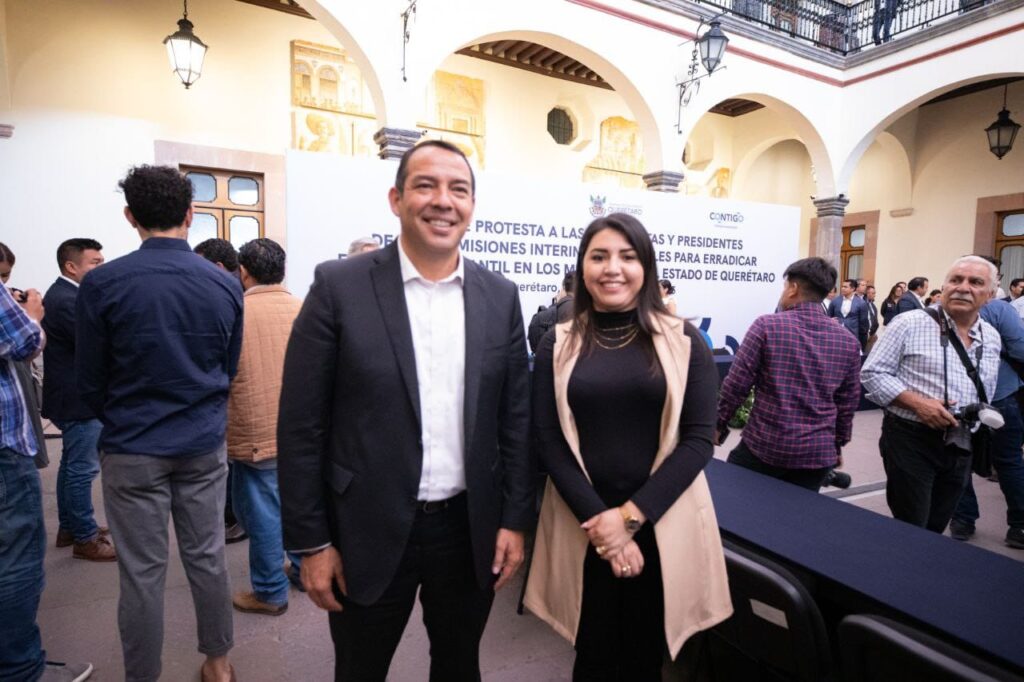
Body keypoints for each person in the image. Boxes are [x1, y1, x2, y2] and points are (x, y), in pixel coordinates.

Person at [277, 140, 532, 681]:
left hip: (468, 532)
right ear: (396, 199)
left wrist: (514, 519)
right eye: (426, 185)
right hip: (364, 529)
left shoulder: (500, 296)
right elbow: (301, 426)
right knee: (360, 670)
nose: (443, 200)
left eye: (458, 189)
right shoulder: (338, 287)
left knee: (460, 666)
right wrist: (312, 543)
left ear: (471, 205)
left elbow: (515, 420)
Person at [524, 213, 731, 681]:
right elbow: (549, 441)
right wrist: (604, 527)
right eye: (598, 256)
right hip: (585, 525)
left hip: (662, 524)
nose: (612, 268)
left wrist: (629, 521)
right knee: (591, 655)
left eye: (627, 256)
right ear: (582, 268)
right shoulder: (556, 343)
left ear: (647, 268)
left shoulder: (684, 341)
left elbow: (699, 440)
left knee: (643, 658)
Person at [76, 165, 242, 682]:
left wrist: (123, 416)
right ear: (190, 214)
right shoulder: (224, 283)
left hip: (132, 445)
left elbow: (90, 379)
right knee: (208, 556)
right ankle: (218, 662)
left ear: (130, 217)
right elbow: (228, 368)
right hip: (201, 443)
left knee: (142, 575)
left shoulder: (102, 283)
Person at [862, 256, 1000, 533]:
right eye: (956, 280)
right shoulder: (908, 323)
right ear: (943, 286)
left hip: (960, 442)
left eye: (975, 282)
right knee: (912, 525)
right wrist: (918, 404)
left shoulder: (992, 336)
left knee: (937, 524)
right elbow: (871, 373)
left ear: (991, 295)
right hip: (910, 437)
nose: (963, 287)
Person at [718, 258, 862, 491]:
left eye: (785, 286)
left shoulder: (766, 327)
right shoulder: (848, 342)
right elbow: (847, 403)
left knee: (738, 512)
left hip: (764, 446)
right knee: (793, 521)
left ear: (793, 288)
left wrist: (719, 423)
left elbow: (737, 384)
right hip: (816, 455)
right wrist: (836, 446)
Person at [226, 238, 304, 616]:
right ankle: (304, 571)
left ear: (244, 272)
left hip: (256, 432)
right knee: (301, 505)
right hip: (303, 434)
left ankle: (271, 592)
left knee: (263, 514)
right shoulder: (306, 309)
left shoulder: (235, 312)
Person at [41, 239, 115, 562]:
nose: (101, 267)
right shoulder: (65, 300)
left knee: (72, 464)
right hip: (78, 398)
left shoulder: (68, 295)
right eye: (95, 263)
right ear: (72, 267)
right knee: (82, 469)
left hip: (70, 395)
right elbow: (97, 344)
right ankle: (84, 537)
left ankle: (71, 527)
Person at [949, 287, 1024, 550]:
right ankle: (1019, 526)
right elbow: (1022, 350)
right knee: (1009, 461)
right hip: (1000, 397)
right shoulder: (1002, 309)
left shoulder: (946, 310)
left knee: (960, 460)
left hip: (963, 400)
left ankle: (963, 520)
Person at [193, 238, 247, 545]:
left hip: (233, 399)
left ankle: (234, 518)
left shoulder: (230, 298)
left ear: (217, 267)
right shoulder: (233, 294)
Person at [528, 270, 575, 353]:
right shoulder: (592, 317)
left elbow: (535, 349)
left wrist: (556, 304)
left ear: (564, 288)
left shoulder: (541, 318)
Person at [829, 278, 870, 351]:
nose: (842, 289)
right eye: (842, 286)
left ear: (853, 289)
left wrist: (861, 339)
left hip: (853, 337)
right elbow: (829, 316)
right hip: (837, 336)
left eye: (845, 287)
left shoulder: (861, 303)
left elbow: (863, 323)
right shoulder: (835, 301)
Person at [865, 285, 880, 349]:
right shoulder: (863, 304)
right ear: (868, 293)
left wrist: (874, 333)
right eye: (873, 293)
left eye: (874, 293)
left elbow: (874, 320)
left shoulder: (872, 305)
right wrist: (868, 334)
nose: (874, 295)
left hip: (872, 334)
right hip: (867, 334)